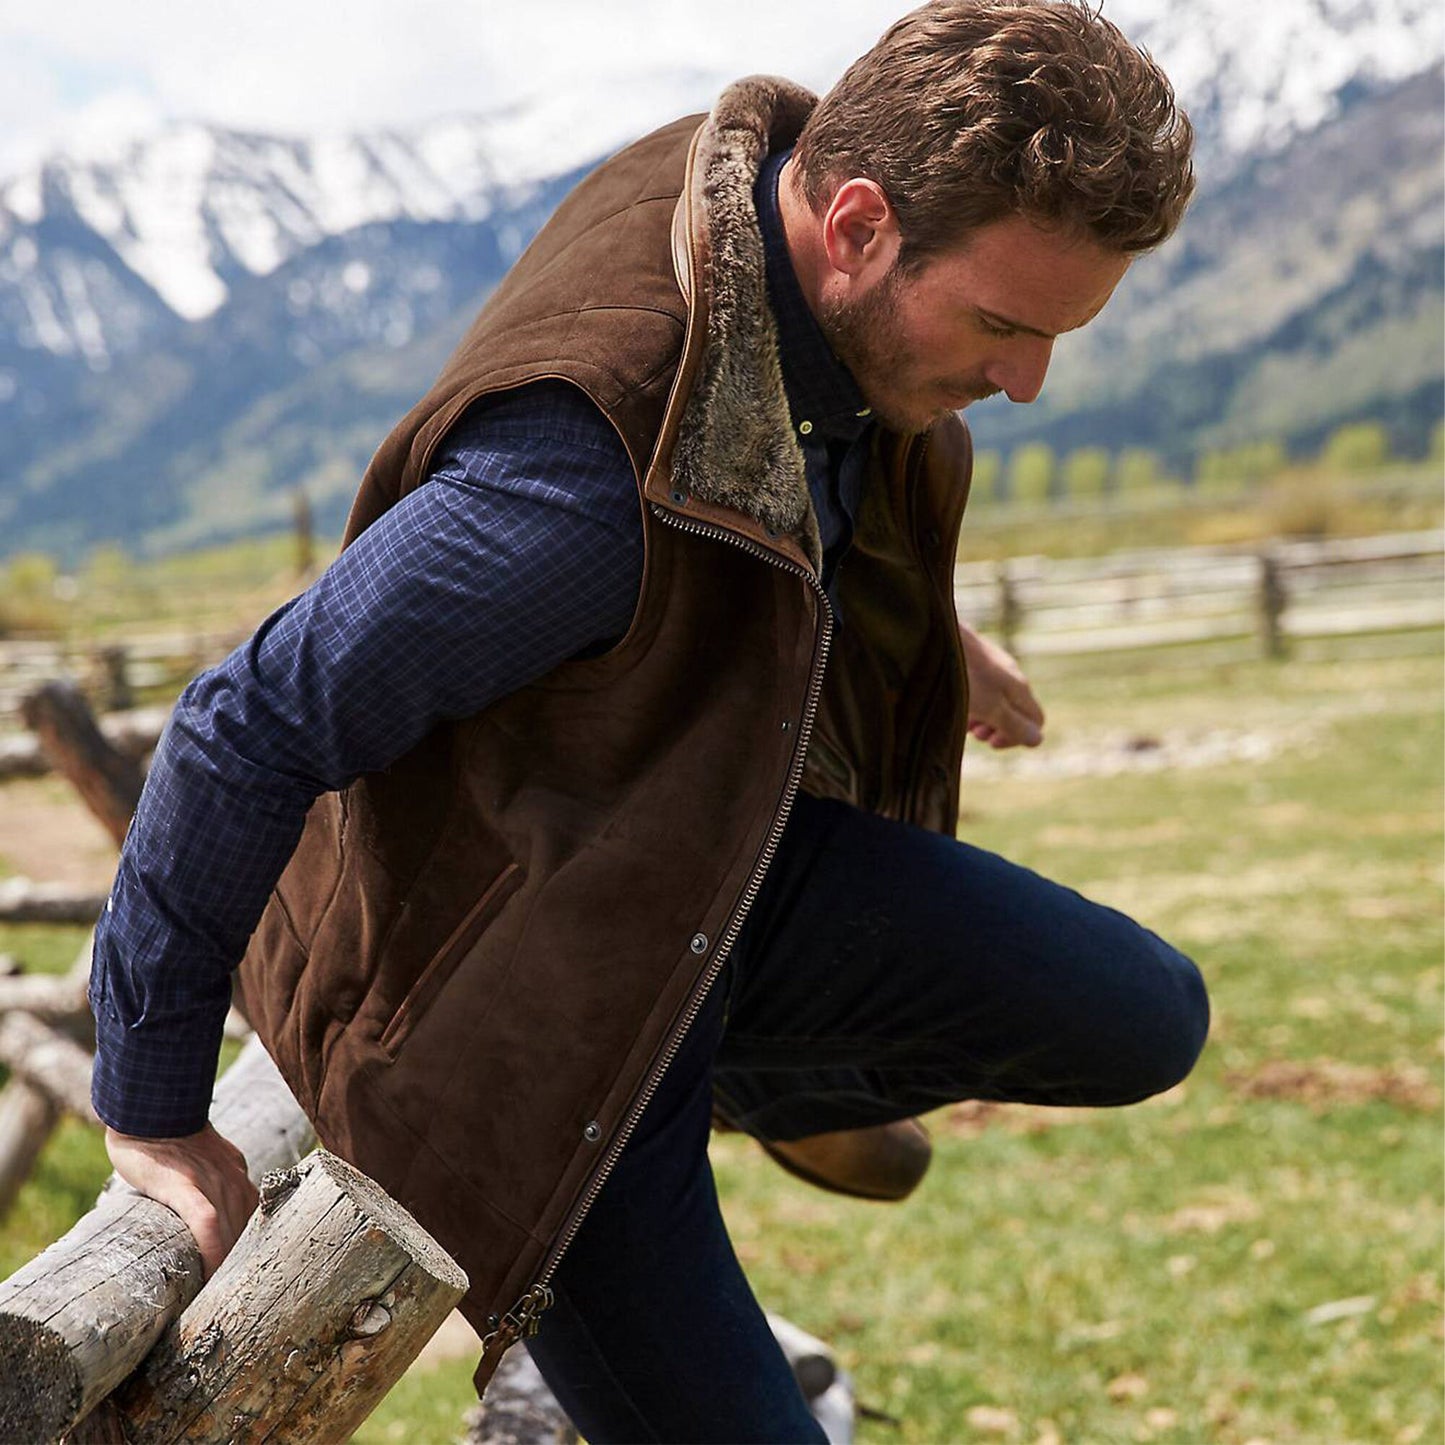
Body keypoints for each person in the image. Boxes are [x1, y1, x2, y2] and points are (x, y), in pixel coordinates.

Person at [91, 2, 1209, 1438]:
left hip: (693, 859)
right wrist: (151, 1102)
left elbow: (791, 474)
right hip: (523, 1004)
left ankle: (751, 1062)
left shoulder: (763, 192)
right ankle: (672, 1118)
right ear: (856, 224)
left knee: (1140, 1014)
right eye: (1002, 324)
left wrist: (927, 625)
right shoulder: (572, 492)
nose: (1025, 379)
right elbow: (246, 723)